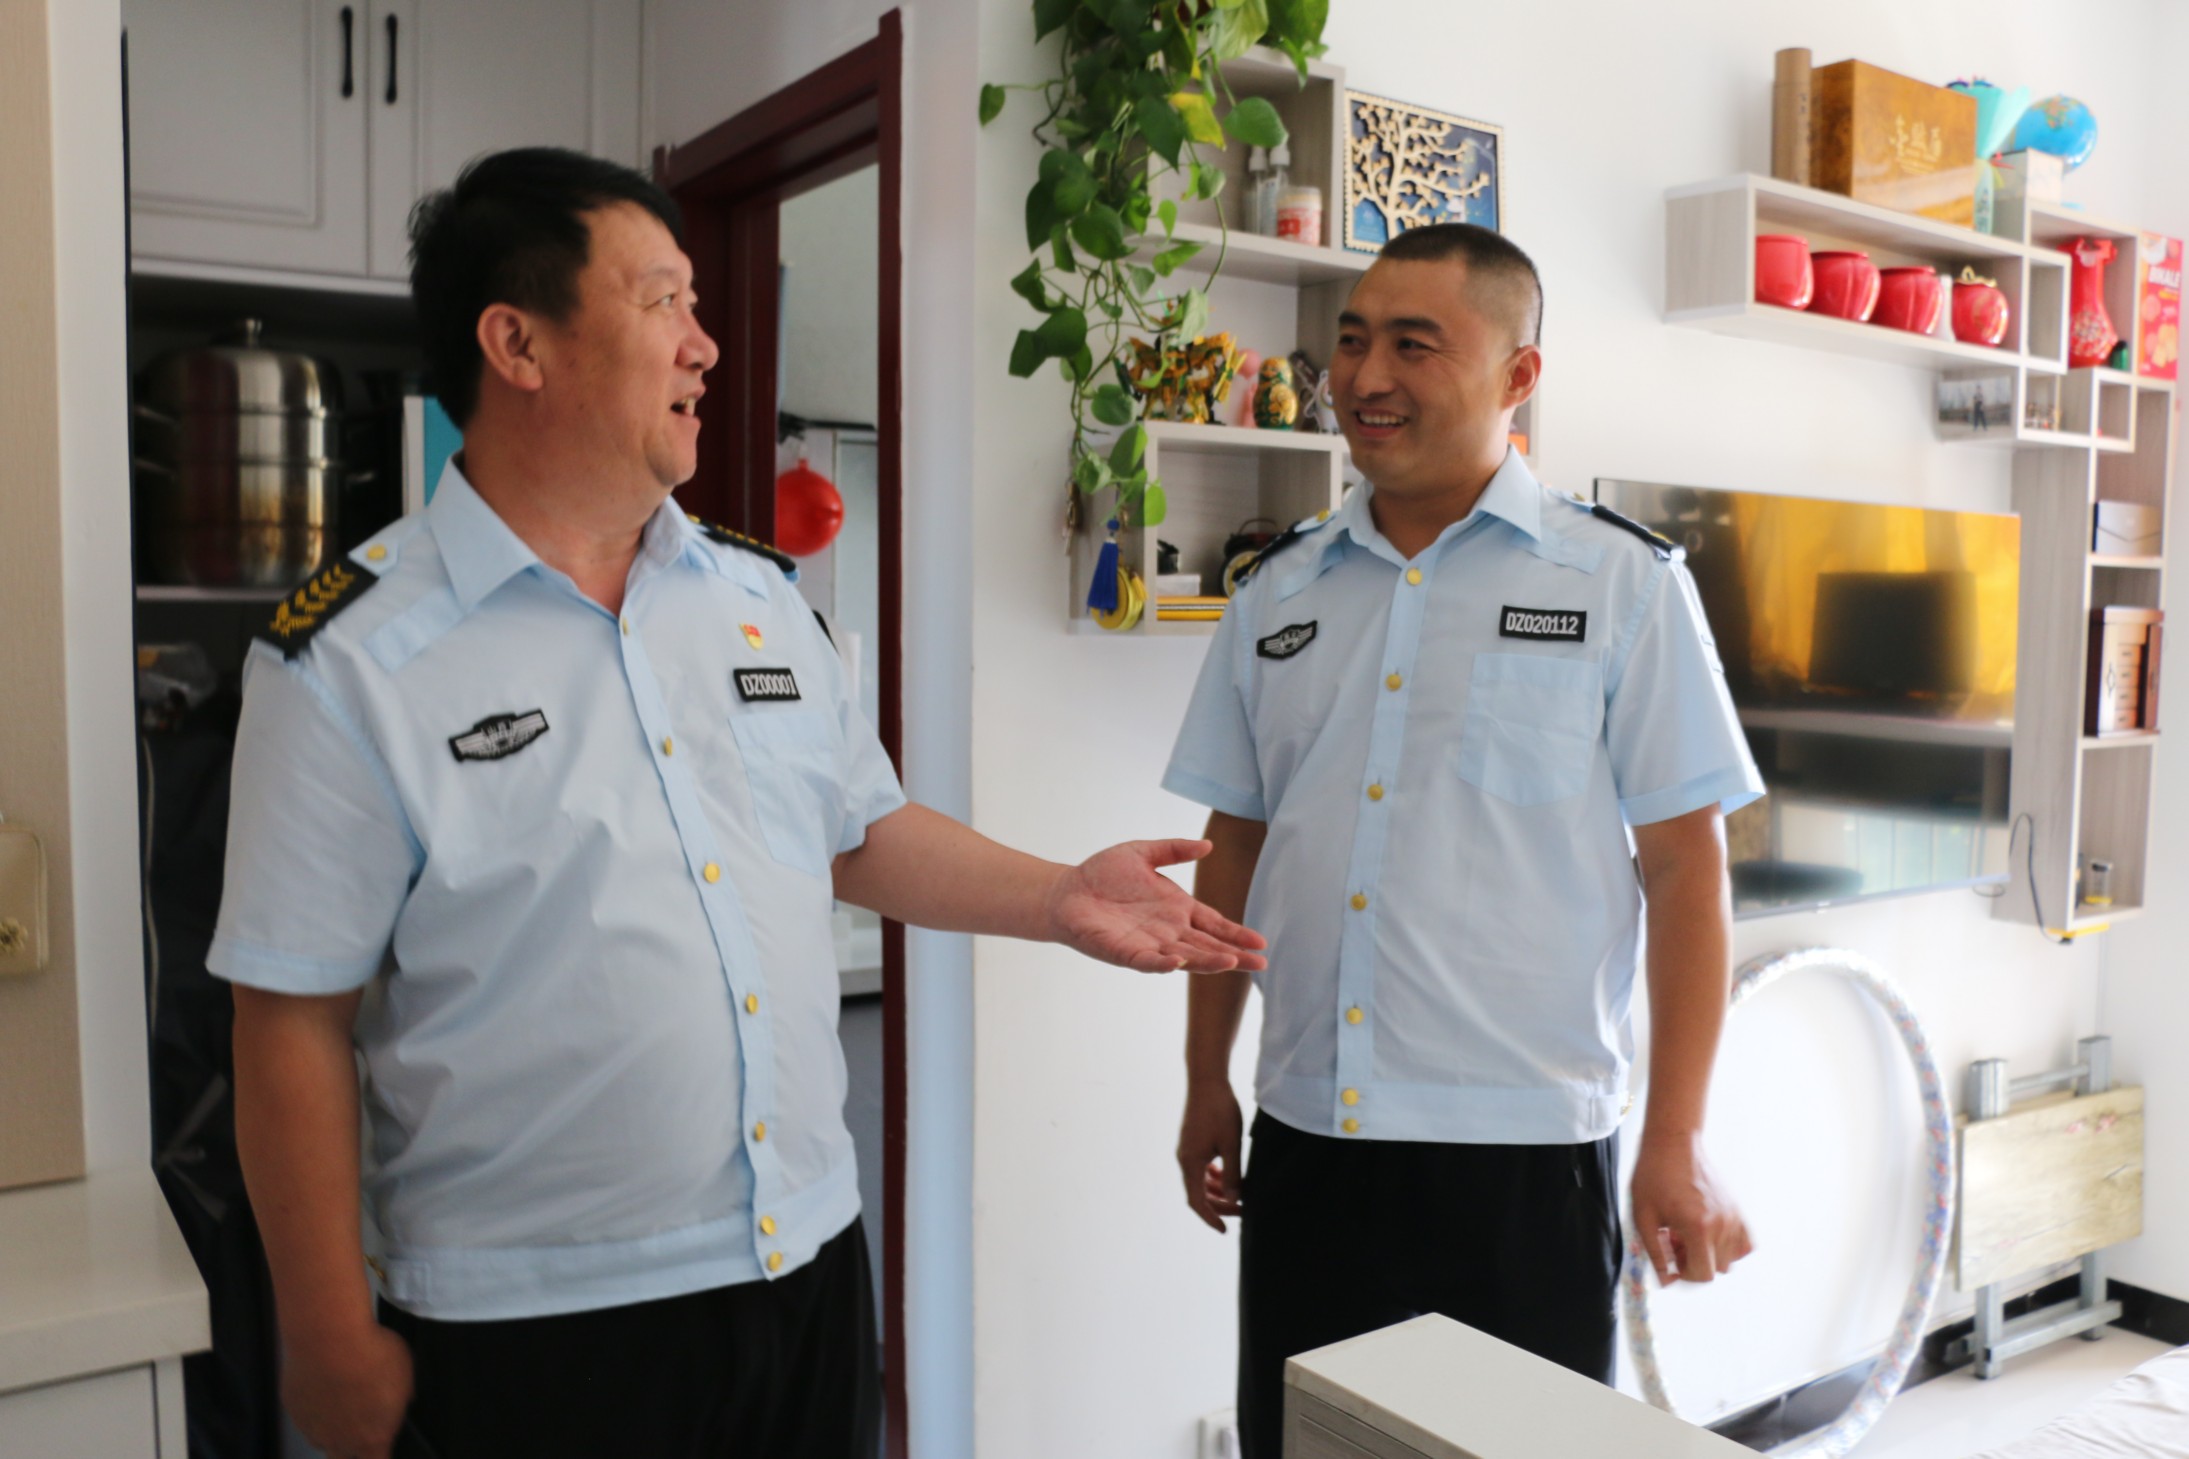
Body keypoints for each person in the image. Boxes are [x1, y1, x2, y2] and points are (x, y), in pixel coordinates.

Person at [211, 147, 1266, 1459]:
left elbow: (857, 833)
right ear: (518, 343)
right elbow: (289, 1015)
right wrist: (323, 1327)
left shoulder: (756, 597)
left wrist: (1056, 894)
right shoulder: (351, 658)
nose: (703, 346)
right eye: (662, 301)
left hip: (804, 1266)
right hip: (537, 1325)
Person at [1163, 223, 1764, 1458]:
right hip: (1311, 1138)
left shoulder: (1622, 585)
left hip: (1522, 1157)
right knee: (1308, 1444)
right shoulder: (1275, 592)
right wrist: (1202, 1076)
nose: (1364, 375)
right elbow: (1233, 846)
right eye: (1350, 341)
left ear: (1516, 375)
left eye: (1411, 344)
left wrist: (1675, 1133)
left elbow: (1683, 870)